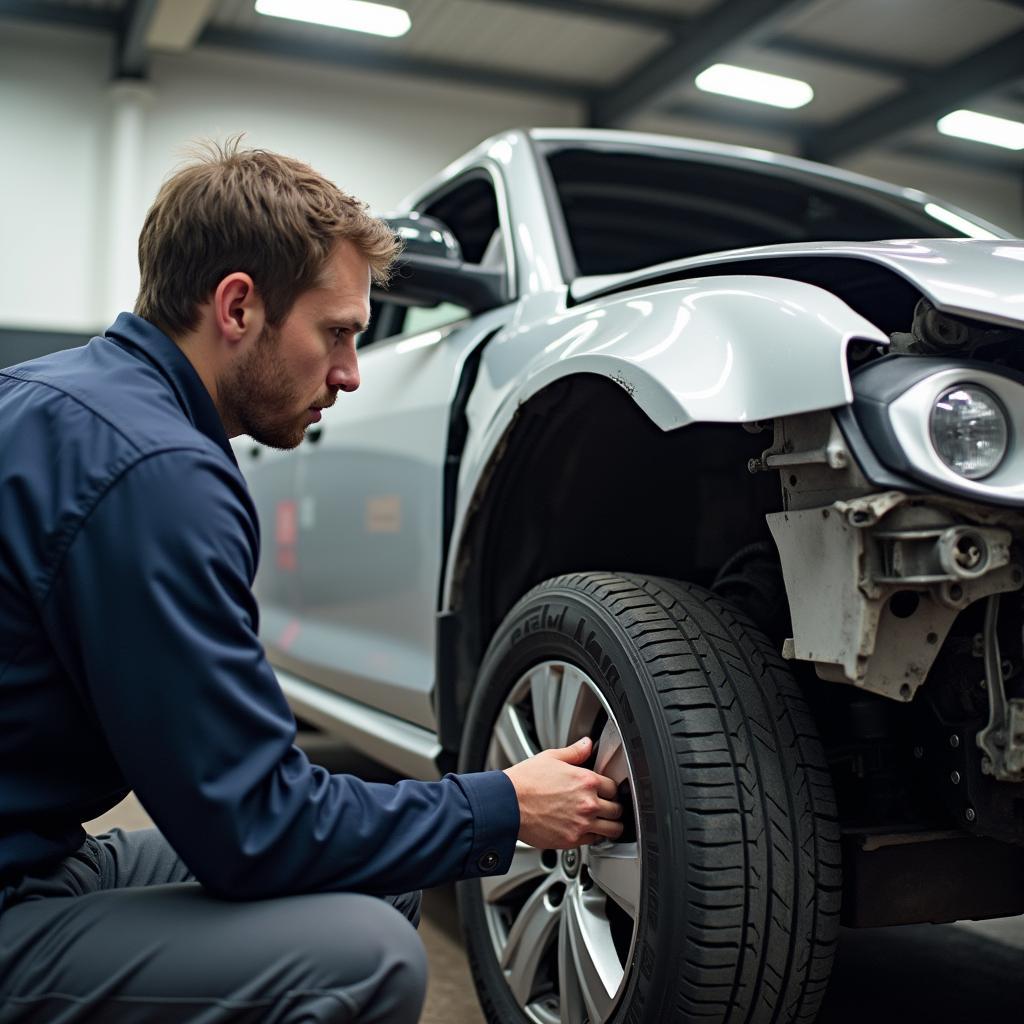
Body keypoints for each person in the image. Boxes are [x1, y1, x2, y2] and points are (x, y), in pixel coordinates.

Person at [0, 141, 624, 1023]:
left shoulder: (53, 398)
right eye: (336, 333)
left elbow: (240, 801)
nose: (350, 373)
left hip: (35, 855)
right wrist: (505, 805)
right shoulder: (158, 474)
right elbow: (252, 830)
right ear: (238, 306)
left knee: (378, 876)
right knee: (363, 959)